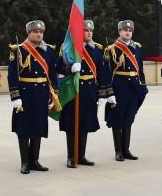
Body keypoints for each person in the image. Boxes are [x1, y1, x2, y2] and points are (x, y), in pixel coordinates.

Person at [8, 20, 64, 174]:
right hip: (25, 94)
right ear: (29, 33)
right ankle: (25, 162)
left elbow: (53, 74)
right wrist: (15, 96)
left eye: (41, 32)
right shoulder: (18, 50)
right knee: (24, 128)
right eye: (35, 32)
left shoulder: (48, 51)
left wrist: (55, 94)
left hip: (41, 94)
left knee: (38, 127)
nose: (39, 34)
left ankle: (35, 160)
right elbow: (12, 76)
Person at [59, 19, 105, 168]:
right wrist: (70, 68)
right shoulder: (68, 48)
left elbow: (102, 72)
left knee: (85, 123)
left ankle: (81, 156)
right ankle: (71, 157)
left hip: (90, 90)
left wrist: (102, 94)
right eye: (86, 30)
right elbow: (58, 67)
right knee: (72, 124)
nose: (89, 32)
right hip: (73, 90)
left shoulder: (97, 49)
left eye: (91, 30)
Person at [102, 20, 148, 160]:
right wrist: (109, 92)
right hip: (119, 87)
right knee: (117, 119)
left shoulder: (137, 48)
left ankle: (126, 149)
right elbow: (106, 73)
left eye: (130, 30)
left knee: (129, 118)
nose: (127, 32)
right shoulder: (111, 49)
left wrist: (143, 87)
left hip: (134, 87)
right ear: (119, 32)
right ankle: (118, 151)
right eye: (125, 30)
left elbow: (140, 69)